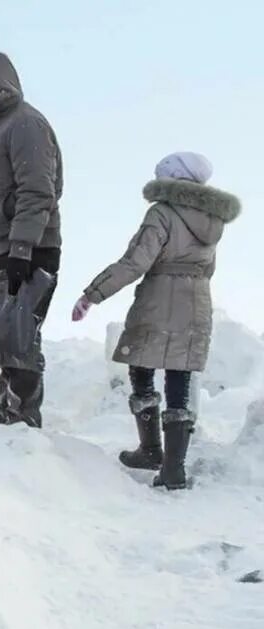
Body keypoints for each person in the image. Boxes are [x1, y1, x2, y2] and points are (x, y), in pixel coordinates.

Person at [71, 153, 240, 489]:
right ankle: (174, 468)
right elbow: (208, 268)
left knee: (141, 365)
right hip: (198, 299)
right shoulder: (212, 219)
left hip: (159, 296)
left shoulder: (161, 213)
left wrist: (93, 293)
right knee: (179, 374)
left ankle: (151, 450)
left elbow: (136, 262)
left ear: (171, 178)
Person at [0, 51, 63, 430]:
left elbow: (40, 191)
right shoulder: (2, 127)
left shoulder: (26, 125)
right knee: (6, 332)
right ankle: (8, 413)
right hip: (6, 248)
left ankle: (21, 420)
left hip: (28, 249)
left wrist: (21, 249)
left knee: (19, 333)